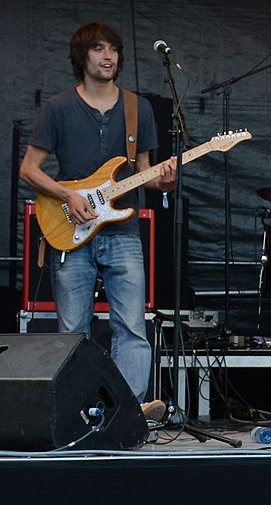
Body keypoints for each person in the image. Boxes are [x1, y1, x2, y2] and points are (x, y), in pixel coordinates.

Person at [19, 22, 175, 421]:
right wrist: (68, 195)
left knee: (132, 326)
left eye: (113, 50)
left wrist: (164, 179)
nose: (108, 57)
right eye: (99, 49)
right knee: (74, 330)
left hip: (122, 231)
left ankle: (128, 411)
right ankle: (81, 413)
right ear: (82, 56)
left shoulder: (137, 108)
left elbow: (143, 171)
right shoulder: (58, 107)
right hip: (70, 228)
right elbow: (29, 169)